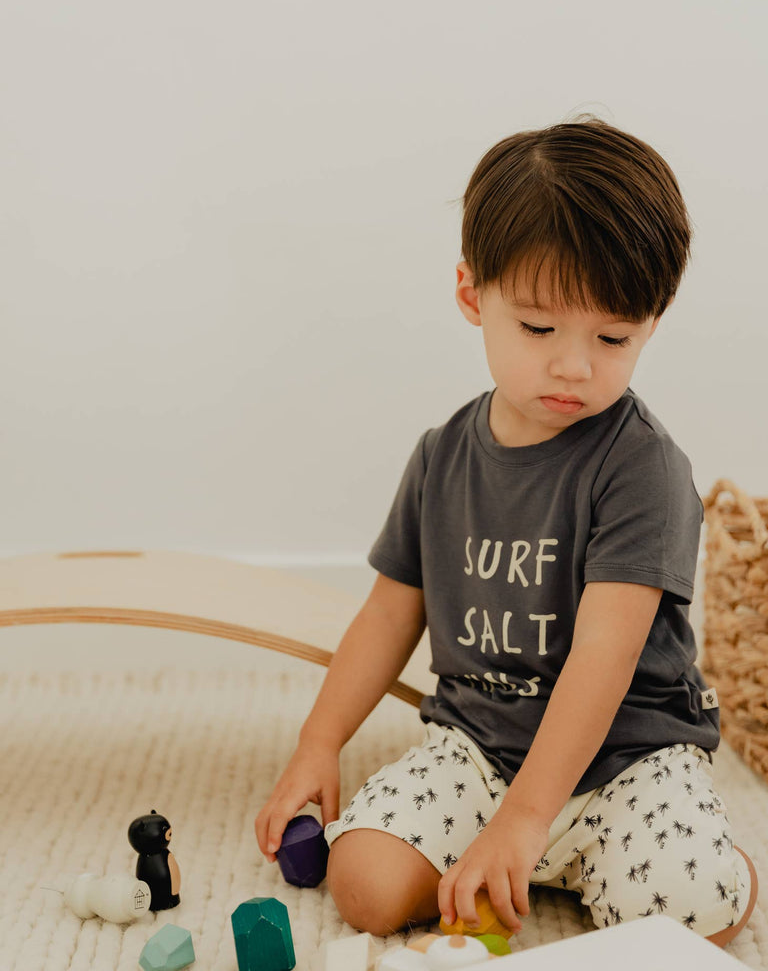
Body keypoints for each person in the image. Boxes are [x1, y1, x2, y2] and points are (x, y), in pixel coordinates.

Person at [255, 117, 757, 946]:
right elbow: (388, 615)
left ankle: (698, 856)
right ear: (470, 295)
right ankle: (523, 855)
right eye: (538, 328)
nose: (574, 365)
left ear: (652, 323)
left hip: (625, 761)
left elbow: (604, 655)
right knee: (365, 885)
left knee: (689, 910)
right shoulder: (444, 456)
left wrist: (529, 820)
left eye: (613, 338)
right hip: (482, 749)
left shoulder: (644, 469)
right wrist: (319, 743)